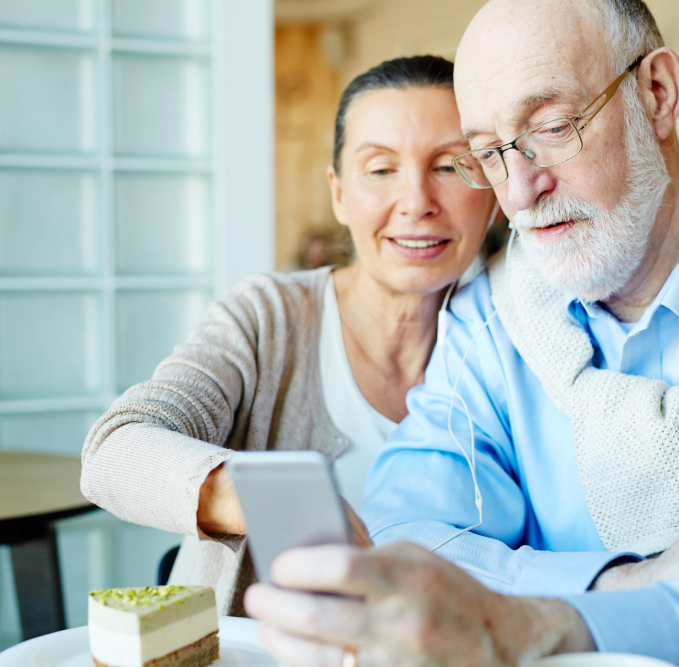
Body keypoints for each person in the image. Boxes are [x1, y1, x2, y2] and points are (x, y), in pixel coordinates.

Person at [242, 1, 679, 666]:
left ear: (657, 92)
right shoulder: (493, 318)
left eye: (551, 127)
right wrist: (629, 580)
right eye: (487, 152)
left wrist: (532, 623)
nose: (518, 191)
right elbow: (405, 533)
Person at [79, 55, 497, 615]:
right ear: (339, 194)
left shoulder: (513, 336)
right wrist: (264, 497)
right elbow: (115, 451)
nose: (417, 201)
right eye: (380, 169)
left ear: (493, 187)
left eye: (449, 165)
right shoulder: (268, 319)